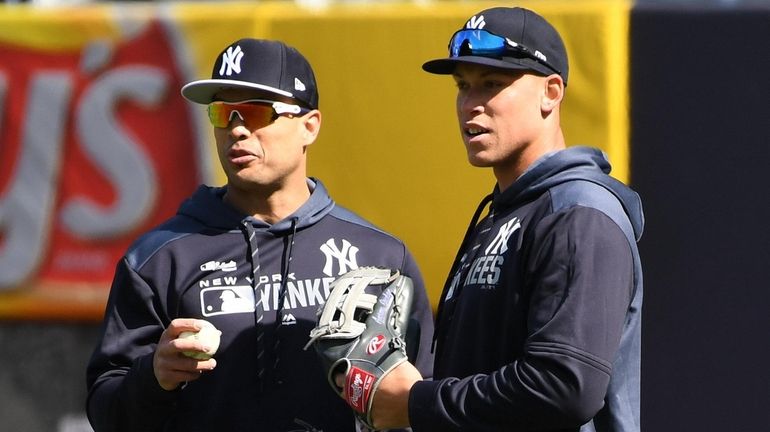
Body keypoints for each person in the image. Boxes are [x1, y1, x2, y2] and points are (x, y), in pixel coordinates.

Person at [85, 38, 434, 432]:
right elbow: (105, 411)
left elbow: (421, 404)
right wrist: (155, 376)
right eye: (223, 113)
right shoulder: (160, 259)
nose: (236, 130)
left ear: (309, 126)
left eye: (255, 112)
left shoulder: (381, 256)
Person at [365, 7, 644, 432]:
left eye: (492, 84)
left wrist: (415, 403)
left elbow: (564, 386)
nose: (470, 105)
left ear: (551, 92)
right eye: (463, 86)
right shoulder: (502, 215)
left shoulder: (578, 214)